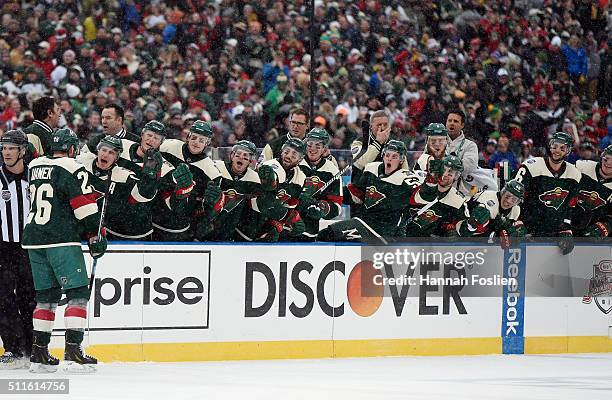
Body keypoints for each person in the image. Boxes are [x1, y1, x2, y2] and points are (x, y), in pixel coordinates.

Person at [22, 128, 106, 373]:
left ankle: (39, 354)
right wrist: (94, 234)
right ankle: (73, 352)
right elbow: (84, 208)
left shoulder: (35, 165)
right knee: (78, 293)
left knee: (46, 297)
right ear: (71, 149)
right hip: (60, 239)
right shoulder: (73, 166)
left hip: (33, 238)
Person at [318, 140, 433, 243]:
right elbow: (357, 195)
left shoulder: (406, 179)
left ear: (401, 160)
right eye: (387, 155)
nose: (389, 159)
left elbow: (425, 197)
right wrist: (332, 193)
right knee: (326, 235)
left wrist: (430, 182)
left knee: (327, 234)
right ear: (383, 155)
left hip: (385, 233)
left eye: (394, 156)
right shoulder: (372, 169)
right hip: (365, 225)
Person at [115, 120, 196, 241]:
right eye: (149, 135)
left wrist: (182, 193)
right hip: (109, 221)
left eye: (156, 138)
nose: (151, 139)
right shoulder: (122, 145)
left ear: (161, 143)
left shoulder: (167, 169)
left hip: (138, 230)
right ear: (142, 135)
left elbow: (174, 205)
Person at [77, 136, 159, 241]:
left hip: (118, 231)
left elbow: (141, 196)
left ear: (116, 158)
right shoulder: (82, 161)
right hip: (83, 226)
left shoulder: (123, 175)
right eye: (104, 150)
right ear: (98, 151)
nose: (105, 155)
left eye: (111, 153)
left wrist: (150, 179)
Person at [0, 130, 35, 369]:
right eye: (4, 148)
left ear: (22, 150)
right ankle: (12, 347)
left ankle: (30, 348)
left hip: (30, 248)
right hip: (3, 248)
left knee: (29, 299)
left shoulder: (35, 177)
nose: (6, 152)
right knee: (3, 299)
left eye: (11, 148)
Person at [514, 132, 581, 254]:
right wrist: (516, 221)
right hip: (529, 228)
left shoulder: (575, 174)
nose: (557, 151)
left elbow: (570, 206)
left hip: (553, 232)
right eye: (555, 146)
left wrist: (566, 228)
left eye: (562, 148)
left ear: (568, 151)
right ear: (550, 146)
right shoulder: (530, 167)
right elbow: (513, 195)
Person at [159, 120, 223, 240]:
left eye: (201, 140)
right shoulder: (168, 146)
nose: (196, 142)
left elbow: (207, 204)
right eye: (194, 137)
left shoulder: (212, 172)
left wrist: (209, 212)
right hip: (155, 214)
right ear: (188, 137)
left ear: (207, 143)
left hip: (180, 224)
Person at [195, 140, 261, 241]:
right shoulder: (217, 167)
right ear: (232, 156)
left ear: (250, 161)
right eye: (238, 154)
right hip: (206, 224)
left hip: (230, 231)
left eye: (245, 156)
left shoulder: (255, 179)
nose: (241, 158)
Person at [296, 128, 343, 241]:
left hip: (310, 231)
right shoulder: (295, 162)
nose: (312, 149)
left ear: (324, 149)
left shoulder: (331, 170)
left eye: (318, 145)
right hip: (287, 226)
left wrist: (324, 208)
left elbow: (337, 207)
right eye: (310, 144)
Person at [405, 155, 469, 237]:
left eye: (450, 172)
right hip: (394, 233)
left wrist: (450, 231)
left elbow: (463, 228)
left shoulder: (457, 201)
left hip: (421, 243)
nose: (445, 174)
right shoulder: (419, 182)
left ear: (456, 176)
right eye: (443, 169)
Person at [456, 180, 526, 248]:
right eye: (507, 196)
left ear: (517, 202)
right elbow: (473, 222)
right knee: (482, 216)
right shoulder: (488, 197)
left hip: (485, 241)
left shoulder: (516, 210)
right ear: (503, 192)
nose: (508, 201)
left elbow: (507, 231)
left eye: (513, 200)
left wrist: (514, 234)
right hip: (462, 230)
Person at [572, 145, 612, 237]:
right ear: (601, 158)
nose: (608, 163)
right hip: (569, 221)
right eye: (607, 159)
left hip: (593, 230)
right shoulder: (582, 167)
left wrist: (606, 226)